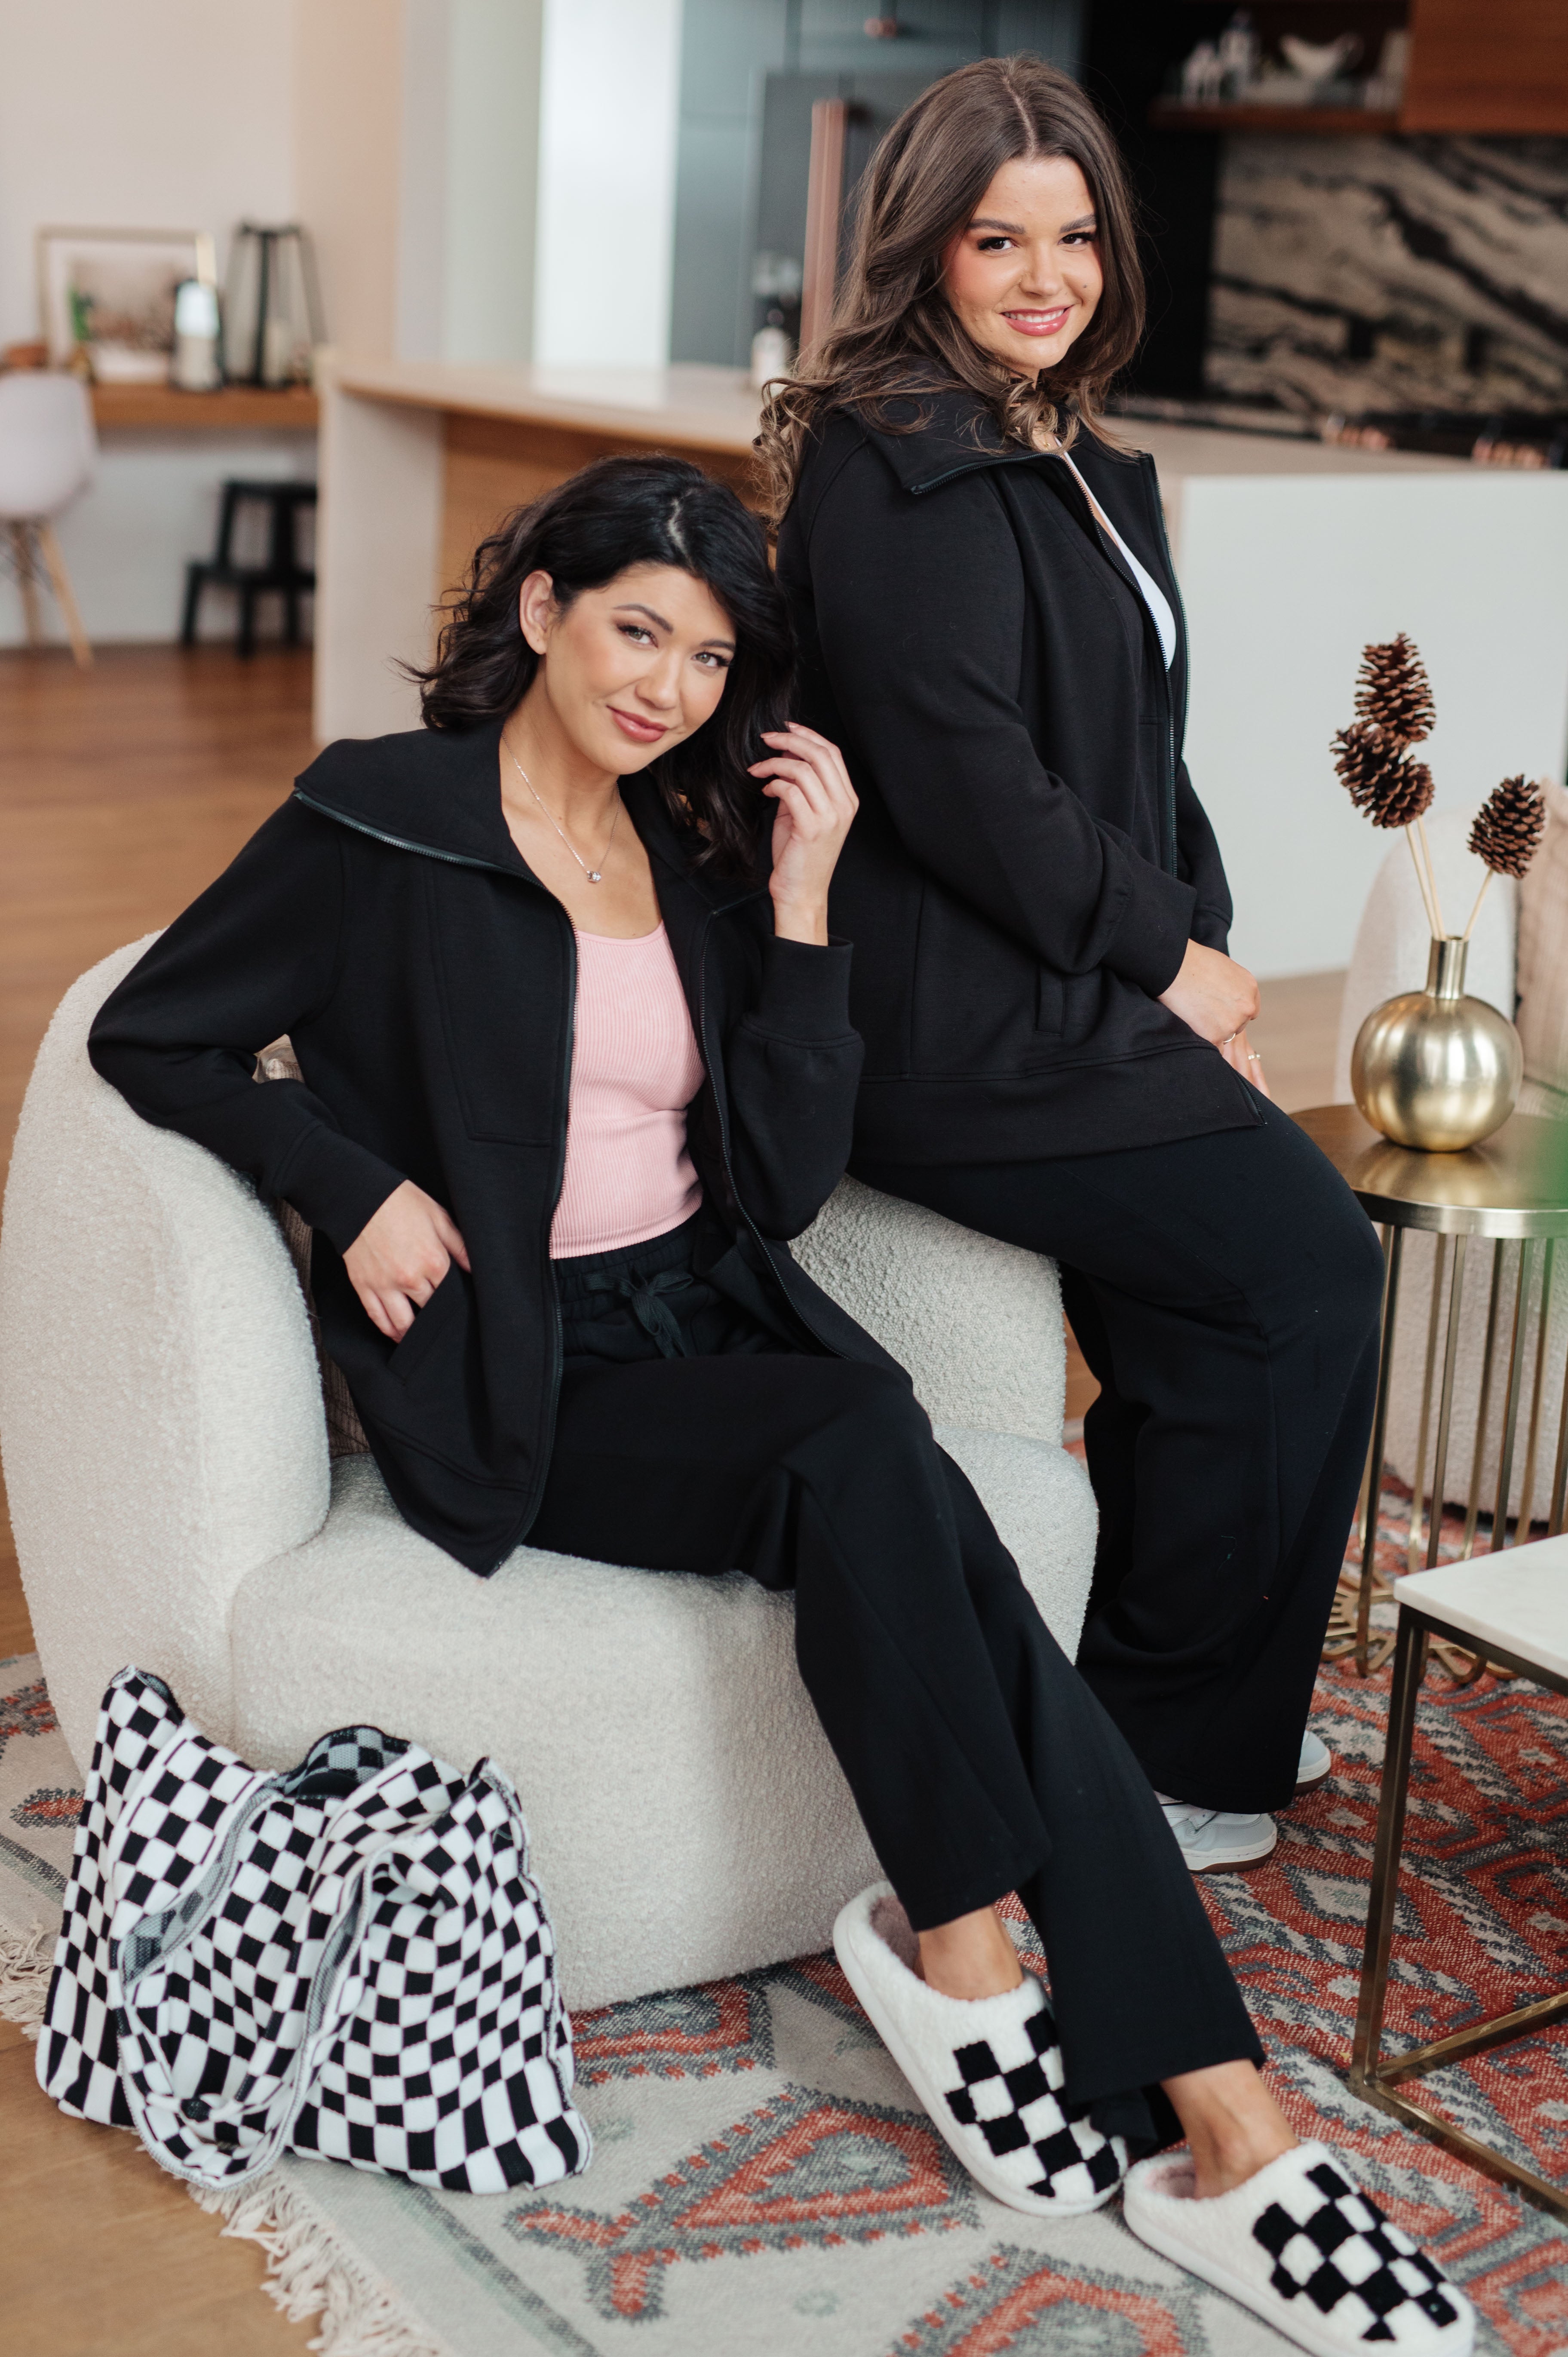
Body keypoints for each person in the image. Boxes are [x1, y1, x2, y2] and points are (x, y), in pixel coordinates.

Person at [88, 457, 1467, 2354]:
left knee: (905, 1493)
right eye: (636, 627)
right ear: (547, 610)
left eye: (711, 656)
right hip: (527, 1374)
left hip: (712, 1318)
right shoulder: (377, 818)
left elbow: (792, 1174)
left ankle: (1006, 1976)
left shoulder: (696, 857)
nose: (666, 683)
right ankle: (1190, 2093)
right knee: (860, 1449)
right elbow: (149, 1028)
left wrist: (808, 901)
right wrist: (352, 1185)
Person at [764, 53, 1387, 1881]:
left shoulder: (1092, 458)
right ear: (929, 254)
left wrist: (1205, 947)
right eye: (997, 239)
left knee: (1233, 1311)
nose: (1046, 274)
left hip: (1075, 984)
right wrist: (1162, 968)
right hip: (950, 1021)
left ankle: (1181, 1711)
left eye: (1076, 236)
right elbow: (968, 777)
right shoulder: (897, 462)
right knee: (1301, 1269)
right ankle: (1166, 1759)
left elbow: (1143, 756)